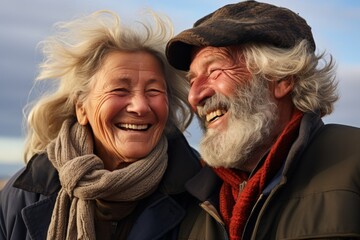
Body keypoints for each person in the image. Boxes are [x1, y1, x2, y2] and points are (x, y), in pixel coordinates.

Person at [0, 10, 203, 240]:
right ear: (81, 108)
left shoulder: (202, 195)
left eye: (154, 91)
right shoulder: (23, 196)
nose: (140, 106)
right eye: (120, 89)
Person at [166, 1, 360, 239]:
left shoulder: (353, 162)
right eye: (192, 80)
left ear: (282, 78)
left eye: (215, 71)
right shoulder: (192, 205)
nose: (194, 96)